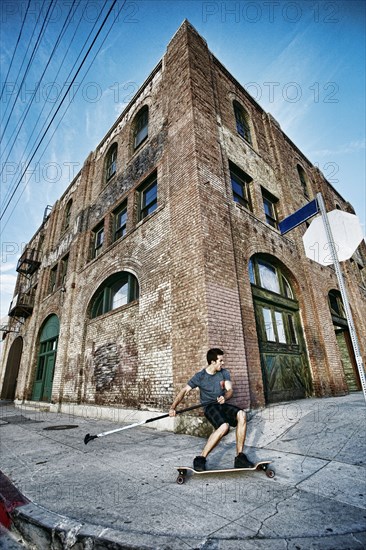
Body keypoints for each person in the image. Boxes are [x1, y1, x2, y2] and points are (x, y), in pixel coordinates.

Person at [169, 348, 254, 471]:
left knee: (242, 414)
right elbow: (184, 391)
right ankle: (201, 458)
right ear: (213, 362)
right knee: (224, 427)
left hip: (221, 404)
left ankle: (240, 457)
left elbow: (230, 390)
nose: (223, 363)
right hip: (210, 407)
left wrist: (224, 397)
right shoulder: (200, 376)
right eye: (220, 361)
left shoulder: (224, 373)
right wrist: (173, 408)